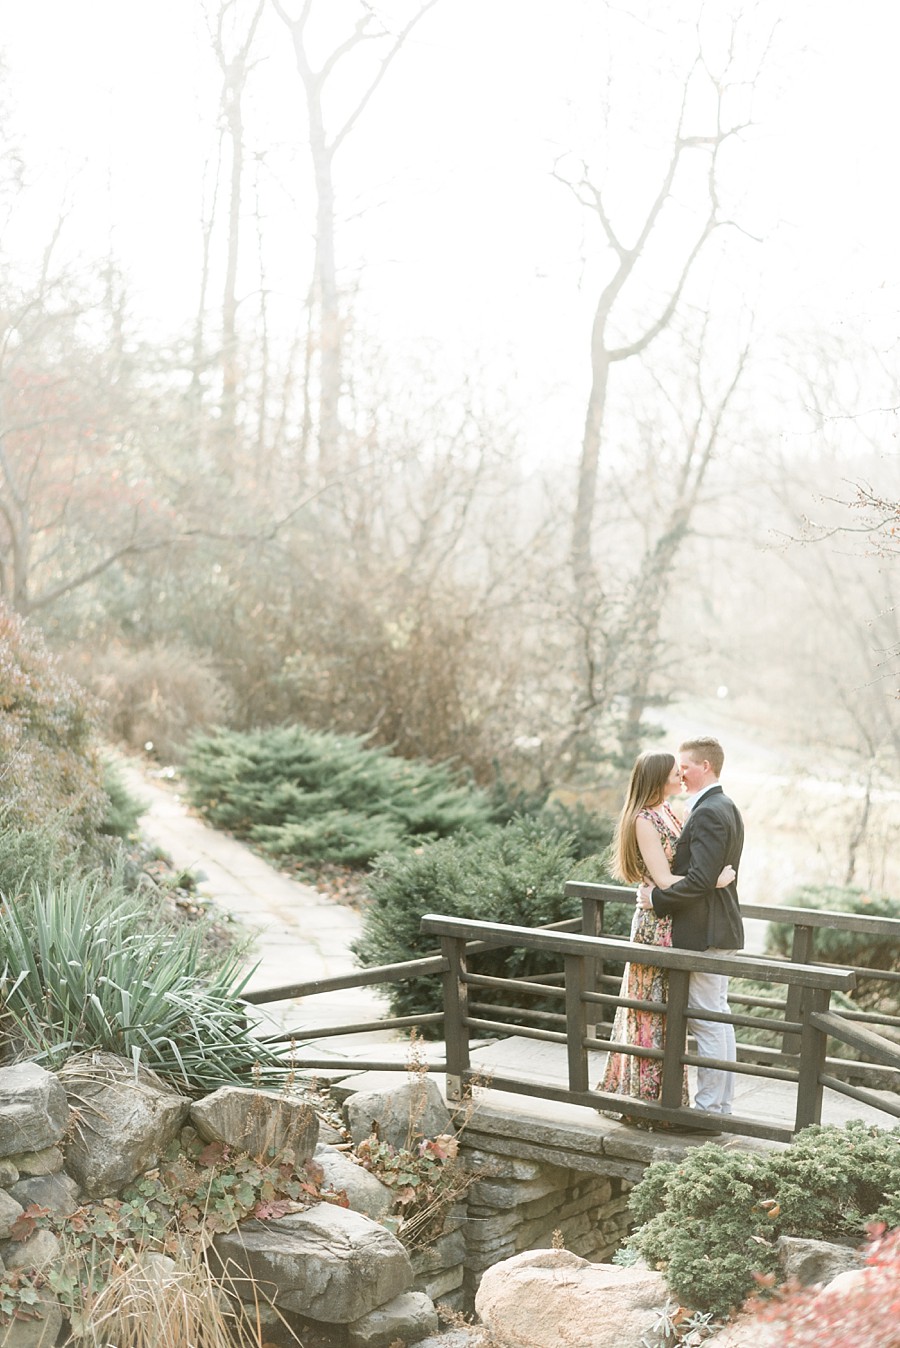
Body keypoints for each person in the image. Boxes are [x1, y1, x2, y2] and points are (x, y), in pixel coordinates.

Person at [598, 750, 734, 1123]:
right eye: (676, 771)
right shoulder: (643, 819)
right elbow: (662, 879)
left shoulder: (673, 811)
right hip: (654, 922)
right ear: (660, 778)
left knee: (671, 1011)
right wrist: (711, 884)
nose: (682, 775)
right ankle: (642, 1098)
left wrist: (702, 882)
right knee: (649, 1009)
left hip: (672, 919)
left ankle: (668, 1098)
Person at [639, 736, 744, 1117]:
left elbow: (700, 880)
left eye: (684, 765)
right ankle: (719, 1106)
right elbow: (707, 877)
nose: (679, 772)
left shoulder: (710, 811)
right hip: (716, 927)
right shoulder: (723, 806)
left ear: (706, 767)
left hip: (706, 931)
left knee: (707, 1021)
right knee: (716, 1016)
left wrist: (657, 900)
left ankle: (710, 1109)